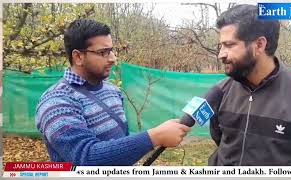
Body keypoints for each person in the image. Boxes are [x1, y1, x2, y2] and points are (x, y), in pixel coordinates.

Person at [35, 19, 191, 166]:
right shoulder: (56, 101)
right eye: (103, 52)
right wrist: (154, 136)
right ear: (78, 57)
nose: (113, 59)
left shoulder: (112, 91)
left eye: (111, 51)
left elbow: (120, 142)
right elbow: (85, 157)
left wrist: (159, 136)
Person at [208, 4, 291, 165]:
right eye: (221, 46)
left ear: (259, 44)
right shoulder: (221, 91)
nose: (220, 54)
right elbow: (219, 138)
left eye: (229, 45)